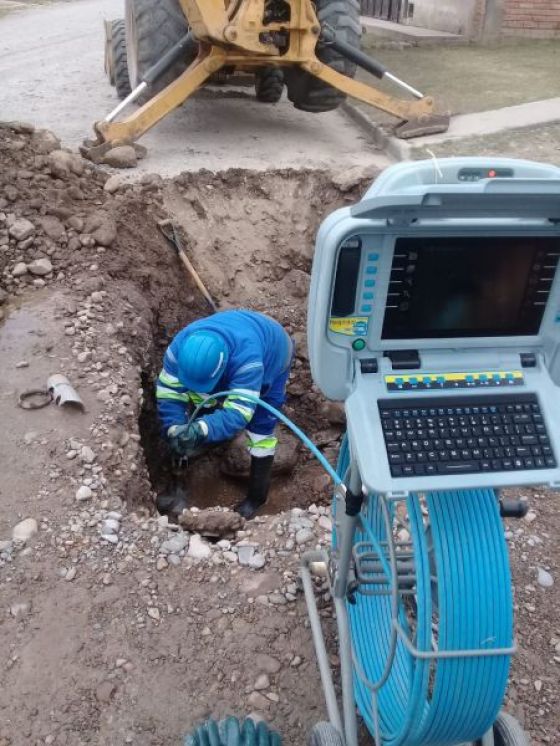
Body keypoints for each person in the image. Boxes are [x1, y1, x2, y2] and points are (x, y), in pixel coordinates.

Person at [156, 309, 294, 519]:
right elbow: (169, 392)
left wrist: (201, 429)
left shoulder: (248, 361)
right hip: (238, 333)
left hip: (274, 352)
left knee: (260, 426)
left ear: (224, 367)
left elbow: (240, 412)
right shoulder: (179, 349)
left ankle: (257, 497)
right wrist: (175, 426)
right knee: (200, 399)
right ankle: (208, 438)